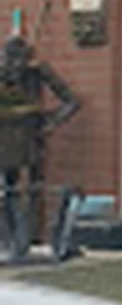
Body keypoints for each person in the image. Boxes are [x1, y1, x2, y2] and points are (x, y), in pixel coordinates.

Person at [0, 17, 80, 261]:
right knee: (7, 191)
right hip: (4, 139)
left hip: (28, 139)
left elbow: (71, 101)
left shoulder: (37, 73)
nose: (13, 65)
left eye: (18, 59)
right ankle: (10, 242)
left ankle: (26, 241)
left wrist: (50, 122)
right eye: (9, 59)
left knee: (31, 189)